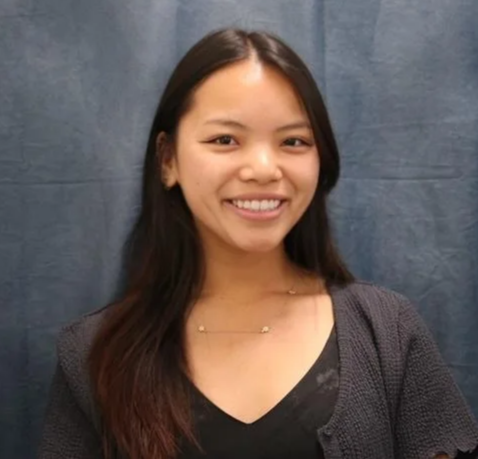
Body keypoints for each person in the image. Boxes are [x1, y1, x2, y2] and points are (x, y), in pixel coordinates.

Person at [38, 28, 478, 459]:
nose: (264, 168)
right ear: (168, 159)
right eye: (225, 139)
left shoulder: (387, 331)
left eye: (293, 141)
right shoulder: (93, 354)